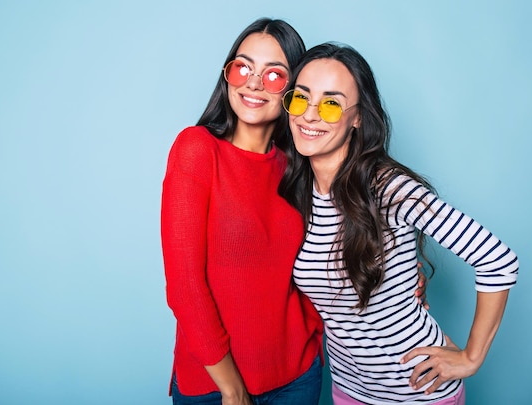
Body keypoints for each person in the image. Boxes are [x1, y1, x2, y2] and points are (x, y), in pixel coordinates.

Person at [161, 18, 429, 405]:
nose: (254, 82)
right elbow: (184, 287)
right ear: (228, 75)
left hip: (298, 378)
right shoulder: (197, 149)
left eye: (274, 75)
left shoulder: (302, 164)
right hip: (213, 385)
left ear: (294, 93)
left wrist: (407, 280)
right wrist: (232, 388)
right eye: (243, 67)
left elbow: (349, 237)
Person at [279, 42, 519, 404]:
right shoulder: (297, 191)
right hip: (348, 390)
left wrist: (471, 357)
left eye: (331, 104)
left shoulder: (389, 188)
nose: (310, 115)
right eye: (301, 98)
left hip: (418, 393)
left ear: (358, 117)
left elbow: (497, 259)